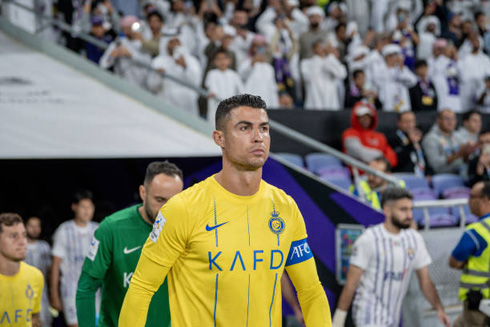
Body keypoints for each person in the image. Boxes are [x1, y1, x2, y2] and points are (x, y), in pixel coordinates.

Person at [119, 94, 332, 326]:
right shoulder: (183, 209)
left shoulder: (285, 207)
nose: (258, 137)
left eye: (264, 128)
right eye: (244, 128)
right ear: (219, 138)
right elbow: (141, 288)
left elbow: (310, 291)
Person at [76, 161, 183, 327]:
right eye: (160, 200)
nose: (166, 208)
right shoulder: (112, 228)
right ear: (143, 192)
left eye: (174, 201)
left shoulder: (188, 230)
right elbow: (86, 288)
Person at [332, 188, 450, 327]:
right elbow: (351, 284)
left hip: (393, 318)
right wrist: (338, 321)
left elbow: (425, 281)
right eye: (403, 210)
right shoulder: (369, 239)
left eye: (410, 209)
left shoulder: (414, 239)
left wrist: (439, 309)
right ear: (387, 211)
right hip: (368, 317)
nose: (409, 215)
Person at [50, 190, 99, 327]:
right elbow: (55, 265)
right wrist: (54, 295)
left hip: (95, 292)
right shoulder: (64, 230)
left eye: (90, 207)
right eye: (83, 207)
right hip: (71, 291)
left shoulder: (98, 229)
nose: (87, 211)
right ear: (74, 207)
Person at [450, 181, 490, 327]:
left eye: (472, 196)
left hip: (479, 300)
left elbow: (454, 262)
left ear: (485, 199)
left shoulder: (477, 231)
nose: (469, 201)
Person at [0, 213, 44, 327]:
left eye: (24, 235)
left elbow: (34, 318)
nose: (22, 242)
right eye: (13, 236)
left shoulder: (36, 276)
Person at [147, 34, 202, 117]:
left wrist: (185, 67)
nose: (174, 44)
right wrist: (158, 76)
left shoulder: (192, 61)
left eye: (177, 41)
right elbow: (152, 86)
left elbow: (196, 83)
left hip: (187, 105)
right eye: (171, 42)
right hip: (166, 103)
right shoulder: (158, 61)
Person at [99, 16, 152, 88]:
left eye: (129, 28)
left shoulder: (143, 43)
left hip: (141, 86)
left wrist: (130, 54)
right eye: (124, 29)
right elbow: (103, 64)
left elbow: (148, 63)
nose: (127, 31)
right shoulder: (118, 42)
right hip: (121, 84)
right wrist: (112, 56)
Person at [342, 101, 398, 168]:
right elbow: (358, 152)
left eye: (368, 117)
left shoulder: (380, 136)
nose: (365, 119)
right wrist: (380, 156)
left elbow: (392, 158)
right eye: (362, 117)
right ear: (356, 118)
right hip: (360, 174)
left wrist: (382, 164)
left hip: (381, 172)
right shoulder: (349, 133)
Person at [422, 109, 476, 175]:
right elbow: (435, 165)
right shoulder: (431, 138)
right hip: (442, 175)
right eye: (447, 119)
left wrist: (468, 153)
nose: (450, 122)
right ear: (438, 120)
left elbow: (466, 158)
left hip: (460, 172)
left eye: (453, 119)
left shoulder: (457, 135)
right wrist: (458, 155)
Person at [301, 40, 347, 110]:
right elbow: (308, 77)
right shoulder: (306, 63)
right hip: (314, 102)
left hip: (330, 102)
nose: (321, 48)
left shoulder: (330, 60)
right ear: (312, 49)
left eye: (323, 46)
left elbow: (342, 74)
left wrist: (330, 56)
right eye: (318, 46)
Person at [25, 216, 52, 327]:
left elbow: (50, 271)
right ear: (25, 227)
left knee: (43, 321)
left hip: (42, 294)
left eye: (37, 226)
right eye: (31, 226)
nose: (35, 229)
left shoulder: (44, 246)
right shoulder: (20, 246)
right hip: (24, 291)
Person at [374, 44, 417, 112]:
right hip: (388, 100)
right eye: (393, 56)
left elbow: (413, 81)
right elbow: (378, 82)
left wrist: (401, 70)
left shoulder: (402, 69)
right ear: (387, 57)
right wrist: (390, 66)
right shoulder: (380, 68)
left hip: (402, 100)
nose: (396, 58)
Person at [205, 48, 244, 123]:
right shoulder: (212, 74)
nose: (222, 61)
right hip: (216, 110)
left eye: (224, 58)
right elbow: (213, 91)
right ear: (214, 62)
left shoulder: (234, 75)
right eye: (219, 59)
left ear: (229, 60)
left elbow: (241, 91)